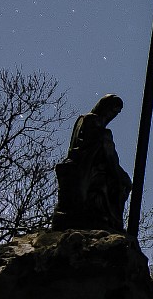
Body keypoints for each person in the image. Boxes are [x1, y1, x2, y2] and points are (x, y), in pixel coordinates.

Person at [53, 93, 133, 231]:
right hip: (88, 168)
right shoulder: (92, 121)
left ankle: (106, 219)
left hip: (90, 167)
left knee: (118, 183)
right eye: (113, 110)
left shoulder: (87, 121)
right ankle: (103, 218)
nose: (113, 115)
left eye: (116, 113)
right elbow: (102, 151)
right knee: (117, 185)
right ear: (105, 107)